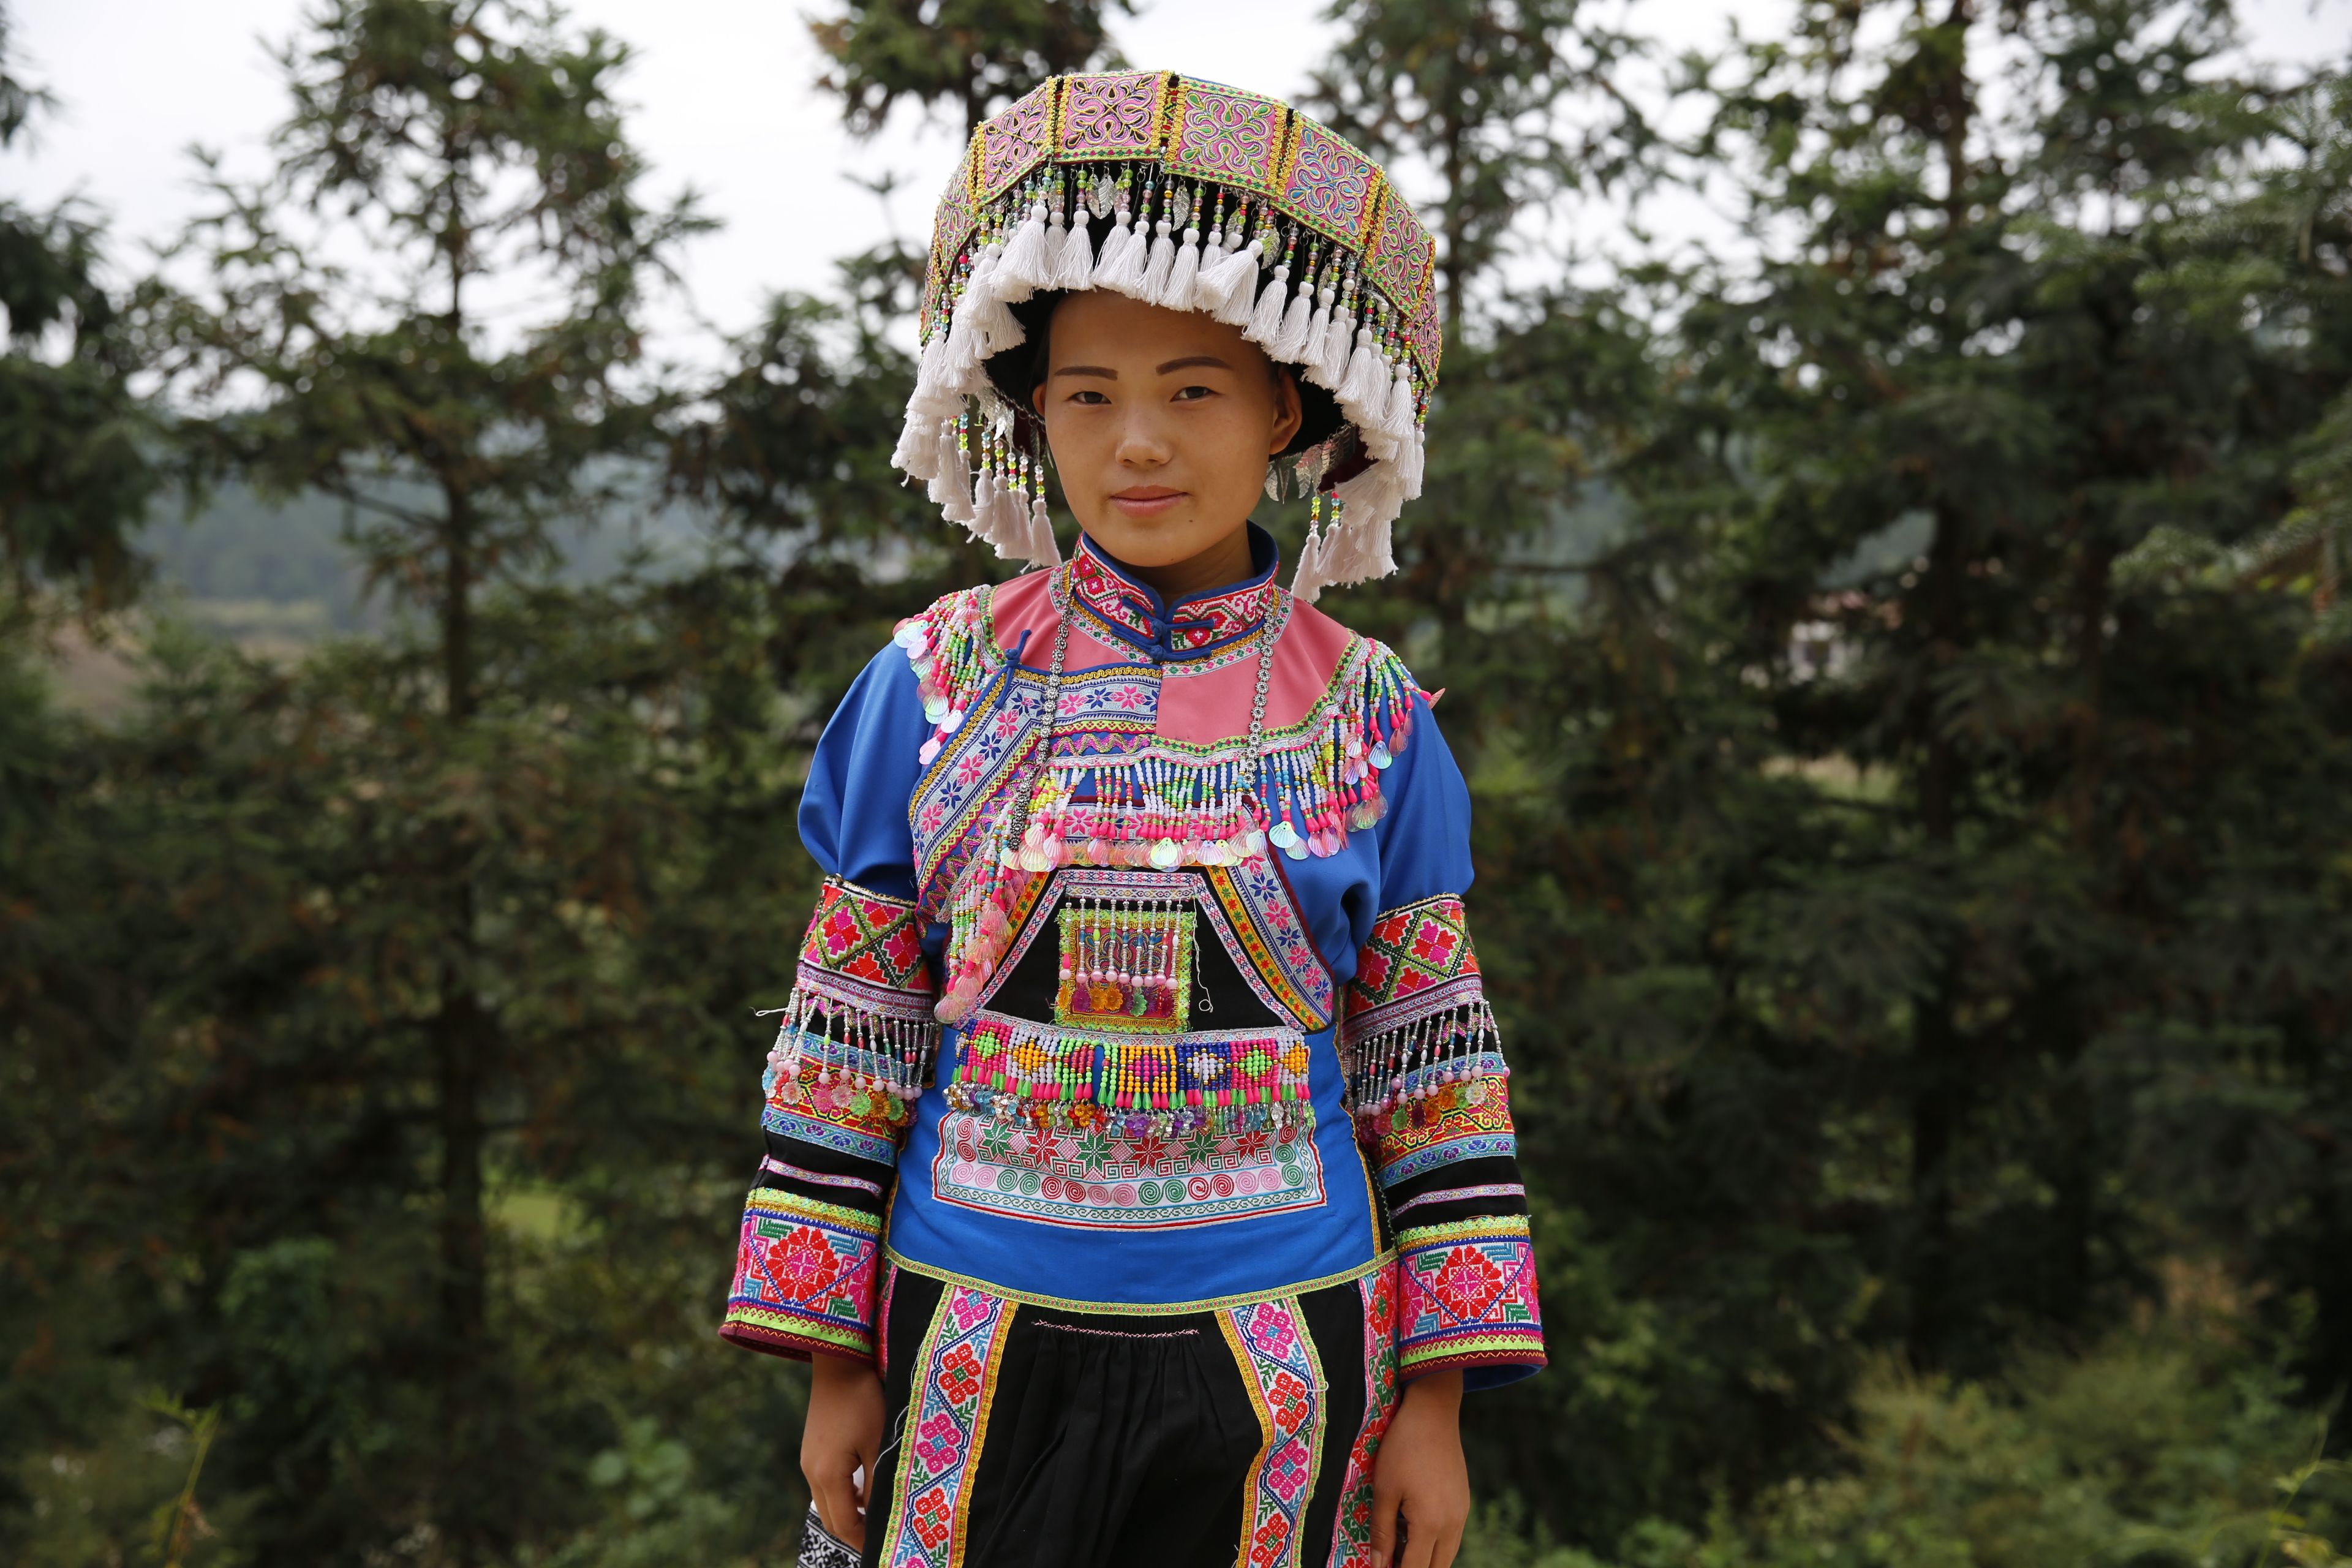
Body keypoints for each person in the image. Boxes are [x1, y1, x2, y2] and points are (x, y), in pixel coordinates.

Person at [718, 69, 1545, 1568]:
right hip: (965, 1336)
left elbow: (1432, 1074)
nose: (1138, 442)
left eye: (1193, 391)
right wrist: (834, 1363)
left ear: (1285, 408)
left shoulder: (1371, 717)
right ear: (1038, 412)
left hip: (1285, 1360)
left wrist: (1437, 1403)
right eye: (1090, 395)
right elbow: (852, 1033)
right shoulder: (934, 682)